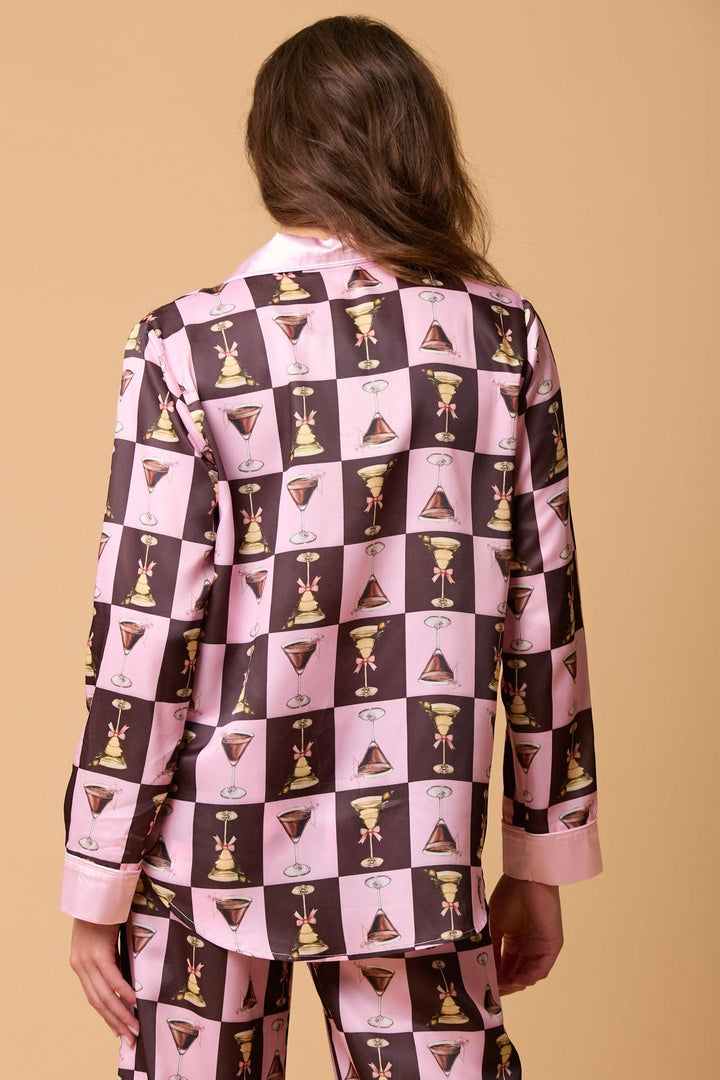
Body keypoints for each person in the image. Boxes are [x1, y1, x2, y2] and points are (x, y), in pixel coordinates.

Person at [60, 14, 602, 1080]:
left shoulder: (188, 345)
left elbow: (144, 627)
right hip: (421, 846)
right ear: (420, 146)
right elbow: (546, 616)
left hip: (202, 847)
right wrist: (541, 855)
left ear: (273, 153)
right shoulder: (502, 339)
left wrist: (97, 877)